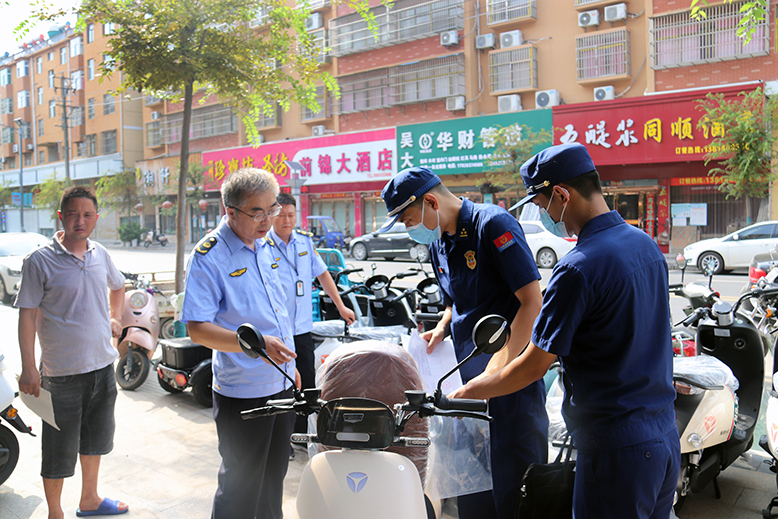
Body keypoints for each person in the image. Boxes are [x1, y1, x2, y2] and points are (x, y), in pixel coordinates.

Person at [450, 143, 680, 519]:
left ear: (561, 194)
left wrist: (472, 391)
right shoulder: (646, 246)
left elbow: (534, 366)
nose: (545, 216)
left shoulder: (577, 268)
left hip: (616, 450)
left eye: (542, 206)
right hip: (664, 434)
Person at [380, 167, 548, 519]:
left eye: (410, 220)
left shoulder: (493, 225)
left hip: (507, 385)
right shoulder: (439, 239)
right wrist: (442, 325)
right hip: (465, 388)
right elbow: (454, 301)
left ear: (430, 201)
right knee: (472, 488)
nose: (411, 229)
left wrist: (497, 370)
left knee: (515, 489)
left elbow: (532, 301)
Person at [180, 168, 298, 519]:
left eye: (272, 209)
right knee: (240, 490)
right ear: (230, 211)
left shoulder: (264, 247)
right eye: (256, 212)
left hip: (281, 383)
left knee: (273, 480)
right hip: (244, 391)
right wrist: (257, 345)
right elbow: (198, 329)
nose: (267, 220)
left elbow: (277, 312)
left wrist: (289, 371)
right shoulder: (209, 256)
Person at [15, 186, 129, 519]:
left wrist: (114, 316)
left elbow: (118, 285)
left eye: (88, 214)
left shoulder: (100, 254)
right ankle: (55, 512)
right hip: (60, 373)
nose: (81, 221)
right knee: (58, 448)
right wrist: (28, 367)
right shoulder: (39, 261)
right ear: (61, 216)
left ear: (96, 218)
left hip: (101, 367)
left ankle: (90, 499)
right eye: (74, 214)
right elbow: (27, 314)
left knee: (95, 439)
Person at [268, 193, 356, 434]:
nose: (286, 220)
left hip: (302, 328)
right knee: (281, 384)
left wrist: (340, 306)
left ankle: (300, 433)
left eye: (291, 215)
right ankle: (281, 436)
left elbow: (323, 274)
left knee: (306, 382)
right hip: (275, 330)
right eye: (281, 215)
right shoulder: (263, 245)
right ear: (272, 215)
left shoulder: (305, 242)